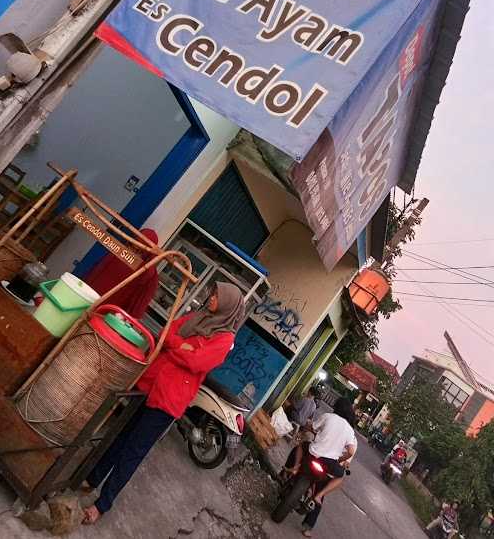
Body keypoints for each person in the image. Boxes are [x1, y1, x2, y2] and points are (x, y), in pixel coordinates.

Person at [82, 281, 246, 524]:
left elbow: (197, 362)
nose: (211, 298)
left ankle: (102, 504)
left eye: (216, 296)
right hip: (150, 382)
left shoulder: (224, 339)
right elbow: (166, 332)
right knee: (120, 434)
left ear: (227, 306)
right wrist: (182, 345)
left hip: (169, 397)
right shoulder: (197, 317)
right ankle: (93, 478)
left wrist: (176, 345)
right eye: (212, 293)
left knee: (134, 450)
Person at [285, 397, 357, 537]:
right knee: (332, 482)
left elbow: (312, 427)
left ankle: (294, 468)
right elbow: (351, 452)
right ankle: (315, 505)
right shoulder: (350, 431)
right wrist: (339, 460)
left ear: (336, 406)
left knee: (301, 446)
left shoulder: (328, 416)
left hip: (313, 454)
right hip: (329, 464)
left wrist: (308, 428)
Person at [84, 228, 159, 320]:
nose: (133, 252)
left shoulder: (148, 273)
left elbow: (137, 307)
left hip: (106, 314)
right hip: (87, 297)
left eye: (139, 251)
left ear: (147, 253)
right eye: (133, 247)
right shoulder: (119, 252)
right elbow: (95, 271)